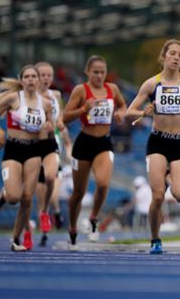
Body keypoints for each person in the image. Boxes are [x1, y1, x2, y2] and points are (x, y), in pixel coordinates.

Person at [125, 39, 180, 254]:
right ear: (163, 56)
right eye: (172, 53)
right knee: (158, 196)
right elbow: (129, 112)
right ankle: (155, 238)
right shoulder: (151, 84)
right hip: (158, 142)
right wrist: (144, 112)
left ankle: (169, 176)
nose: (176, 57)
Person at [0, 65, 53, 251]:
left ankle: (16, 240)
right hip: (13, 150)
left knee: (27, 199)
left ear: (38, 80)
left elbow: (49, 129)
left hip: (34, 151)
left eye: (34, 76)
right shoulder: (13, 98)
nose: (31, 79)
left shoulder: (46, 103)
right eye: (27, 77)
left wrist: (48, 128)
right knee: (15, 197)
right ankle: (5, 194)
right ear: (22, 81)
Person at [63, 55, 127, 249]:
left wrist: (119, 114)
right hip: (83, 143)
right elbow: (65, 117)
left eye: (102, 72)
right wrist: (83, 108)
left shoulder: (112, 89)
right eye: (95, 72)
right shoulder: (80, 90)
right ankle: (73, 227)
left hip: (104, 142)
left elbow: (123, 105)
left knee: (103, 183)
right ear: (87, 72)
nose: (99, 76)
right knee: (78, 193)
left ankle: (93, 218)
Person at [34, 61, 72, 246]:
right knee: (40, 199)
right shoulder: (27, 98)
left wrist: (65, 138)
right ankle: (44, 233)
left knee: (53, 190)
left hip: (52, 147)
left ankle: (55, 210)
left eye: (49, 75)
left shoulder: (56, 95)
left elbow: (61, 121)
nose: (47, 78)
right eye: (43, 75)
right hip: (33, 148)